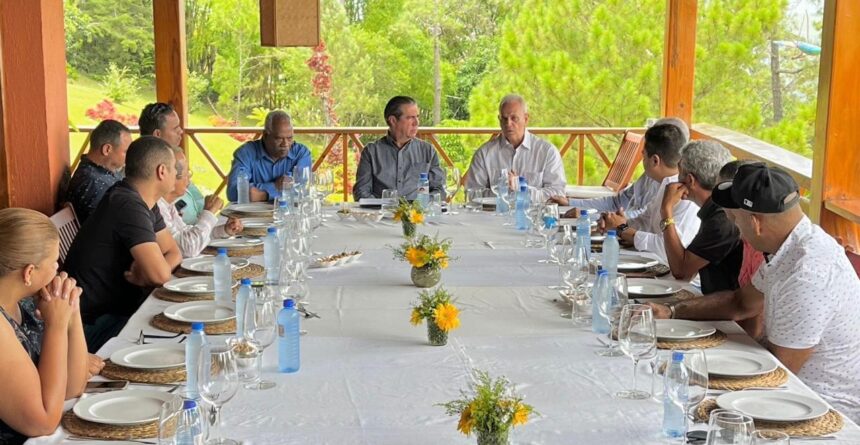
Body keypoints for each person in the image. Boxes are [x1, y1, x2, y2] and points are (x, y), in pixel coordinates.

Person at [648, 163, 860, 422]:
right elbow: (740, 303)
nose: (735, 228)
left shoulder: (807, 275)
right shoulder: (790, 247)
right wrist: (671, 312)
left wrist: (701, 371)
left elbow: (779, 374)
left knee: (672, 399)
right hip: (787, 390)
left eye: (735, 219)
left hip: (818, 408)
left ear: (755, 222)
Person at [64, 136, 182, 352]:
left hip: (120, 310)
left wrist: (149, 274)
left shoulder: (143, 199)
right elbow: (161, 276)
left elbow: (174, 251)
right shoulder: (127, 204)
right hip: (93, 326)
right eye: (175, 168)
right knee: (180, 340)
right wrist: (152, 274)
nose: (178, 174)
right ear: (162, 171)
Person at [0, 209, 88, 444]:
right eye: (53, 262)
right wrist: (56, 326)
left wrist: (72, 312)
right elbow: (43, 422)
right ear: (29, 272)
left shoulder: (24, 301)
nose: (58, 268)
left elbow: (72, 388)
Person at [599, 123, 699, 264]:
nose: (642, 161)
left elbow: (667, 248)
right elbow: (645, 221)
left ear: (655, 160)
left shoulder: (685, 193)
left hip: (674, 275)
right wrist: (617, 221)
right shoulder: (665, 184)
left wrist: (623, 229)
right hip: (655, 264)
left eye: (643, 155)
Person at [554, 117, 690, 219]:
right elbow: (618, 201)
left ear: (655, 160)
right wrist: (570, 202)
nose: (642, 154)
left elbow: (640, 219)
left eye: (644, 151)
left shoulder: (676, 190)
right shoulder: (651, 176)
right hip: (625, 234)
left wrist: (587, 215)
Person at [660, 141, 740, 293]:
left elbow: (681, 272)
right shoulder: (715, 209)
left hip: (725, 310)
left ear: (690, 180)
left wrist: (666, 210)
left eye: (679, 172)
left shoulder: (722, 218)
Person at [464, 95, 566, 202]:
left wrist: (522, 190)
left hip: (535, 216)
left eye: (514, 118)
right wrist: (502, 191)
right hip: (494, 216)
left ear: (526, 119)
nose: (508, 123)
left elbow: (558, 192)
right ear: (499, 120)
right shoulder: (484, 154)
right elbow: (471, 193)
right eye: (504, 118)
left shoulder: (547, 152)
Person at [353, 96, 445, 201]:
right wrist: (382, 209)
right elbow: (361, 192)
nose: (416, 122)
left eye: (417, 117)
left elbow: (439, 190)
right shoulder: (371, 152)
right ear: (393, 120)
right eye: (410, 118)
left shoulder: (428, 151)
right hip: (382, 214)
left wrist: (421, 207)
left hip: (418, 215)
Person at [158, 148, 243, 258]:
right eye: (187, 173)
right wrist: (209, 212)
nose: (189, 179)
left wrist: (223, 231)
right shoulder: (157, 207)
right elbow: (188, 249)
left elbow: (186, 235)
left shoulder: (167, 205)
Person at [226, 110, 313, 202]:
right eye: (279, 138)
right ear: (265, 135)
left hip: (289, 214)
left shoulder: (301, 153)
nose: (285, 144)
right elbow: (233, 192)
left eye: (289, 138)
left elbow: (302, 191)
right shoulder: (245, 153)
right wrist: (275, 186)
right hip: (252, 215)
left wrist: (263, 195)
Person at [65, 119, 132, 223]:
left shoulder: (96, 172)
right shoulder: (92, 183)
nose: (129, 156)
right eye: (126, 151)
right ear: (107, 149)